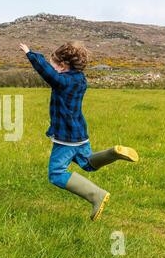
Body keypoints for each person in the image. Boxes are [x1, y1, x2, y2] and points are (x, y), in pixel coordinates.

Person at [20, 41, 139, 221]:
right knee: (88, 164)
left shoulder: (62, 82)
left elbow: (47, 73)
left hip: (66, 138)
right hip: (80, 135)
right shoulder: (80, 79)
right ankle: (113, 153)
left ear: (63, 66)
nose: (53, 69)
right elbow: (53, 73)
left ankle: (96, 195)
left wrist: (30, 54)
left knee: (56, 174)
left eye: (55, 65)